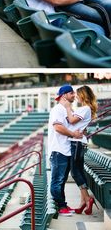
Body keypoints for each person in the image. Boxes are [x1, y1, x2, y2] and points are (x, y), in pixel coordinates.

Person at [61, 85, 99, 215]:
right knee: (79, 171)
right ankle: (83, 201)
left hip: (77, 143)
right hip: (78, 143)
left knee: (75, 172)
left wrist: (67, 107)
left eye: (77, 94)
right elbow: (72, 121)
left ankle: (87, 199)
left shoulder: (85, 108)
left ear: (83, 95)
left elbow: (71, 120)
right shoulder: (84, 109)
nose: (76, 96)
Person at [48, 84, 83, 216]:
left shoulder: (67, 110)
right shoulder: (57, 109)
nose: (74, 95)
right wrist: (74, 134)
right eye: (71, 93)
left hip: (66, 150)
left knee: (61, 181)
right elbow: (58, 127)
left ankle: (63, 205)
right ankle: (60, 207)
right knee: (57, 181)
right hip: (58, 151)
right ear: (64, 95)